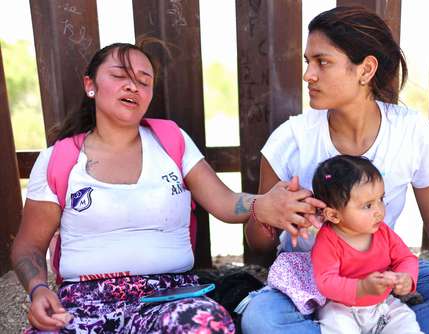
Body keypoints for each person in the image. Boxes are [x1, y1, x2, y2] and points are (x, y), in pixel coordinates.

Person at [10, 41, 315, 334]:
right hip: (83, 303)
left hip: (169, 297)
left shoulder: (171, 142)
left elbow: (225, 202)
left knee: (204, 322)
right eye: (119, 76)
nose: (133, 86)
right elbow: (28, 247)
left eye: (144, 81)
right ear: (90, 85)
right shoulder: (59, 159)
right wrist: (38, 290)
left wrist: (264, 204)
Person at [242, 6, 429, 334]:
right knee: (262, 319)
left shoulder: (411, 131)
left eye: (322, 62)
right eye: (308, 62)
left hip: (382, 271)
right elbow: (258, 247)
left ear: (366, 69)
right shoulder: (291, 139)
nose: (309, 75)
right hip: (309, 275)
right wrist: (265, 216)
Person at [311, 155, 421, 333]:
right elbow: (325, 281)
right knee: (338, 327)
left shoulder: (383, 232)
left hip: (382, 304)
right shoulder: (328, 240)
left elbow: (405, 258)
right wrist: (361, 287)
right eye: (368, 206)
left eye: (381, 199)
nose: (379, 211)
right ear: (333, 215)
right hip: (341, 308)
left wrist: (406, 277)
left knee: (405, 322)